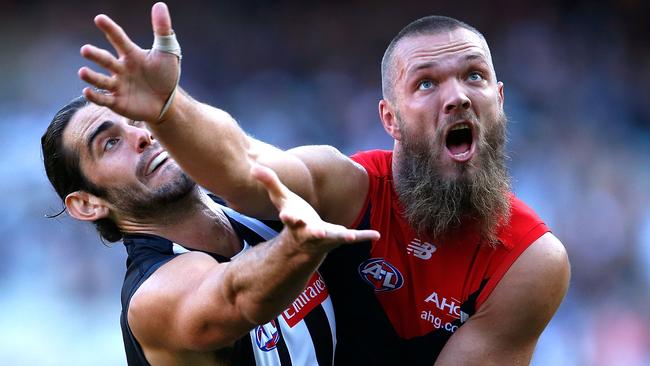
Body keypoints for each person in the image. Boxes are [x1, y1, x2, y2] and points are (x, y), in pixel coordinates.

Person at [78, 2, 571, 365]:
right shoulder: (346, 187)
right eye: (426, 83)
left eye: (475, 76)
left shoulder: (528, 262)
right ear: (389, 119)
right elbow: (243, 164)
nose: (458, 97)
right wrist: (168, 109)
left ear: (500, 99)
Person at [42, 93, 378, 364]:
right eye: (110, 143)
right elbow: (238, 297)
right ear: (88, 204)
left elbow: (257, 156)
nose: (142, 136)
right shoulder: (151, 298)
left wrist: (167, 98)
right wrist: (298, 246)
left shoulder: (259, 204)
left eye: (136, 120)